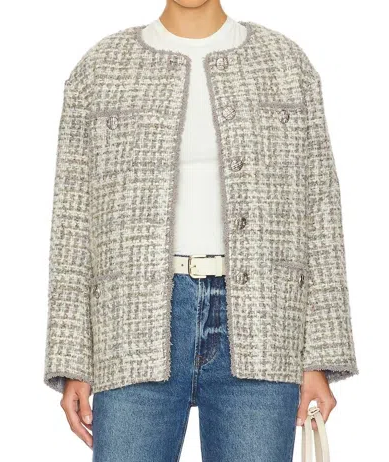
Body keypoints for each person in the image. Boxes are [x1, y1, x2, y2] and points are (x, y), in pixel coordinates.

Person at [44, 0, 358, 460]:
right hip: (130, 325)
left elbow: (321, 212)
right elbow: (72, 220)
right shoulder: (101, 68)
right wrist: (72, 357)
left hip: (265, 323)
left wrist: (319, 358)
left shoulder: (285, 63)